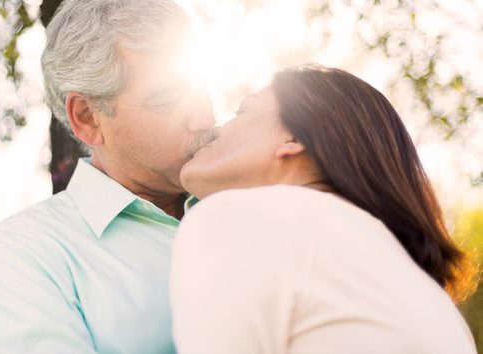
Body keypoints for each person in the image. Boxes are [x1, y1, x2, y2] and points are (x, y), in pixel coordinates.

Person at [0, 0, 215, 353]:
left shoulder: (258, 198)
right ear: (86, 117)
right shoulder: (27, 254)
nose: (205, 118)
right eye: (167, 99)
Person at [170, 65, 477, 354]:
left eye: (242, 111)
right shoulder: (429, 296)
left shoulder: (237, 220)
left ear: (294, 138)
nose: (217, 128)